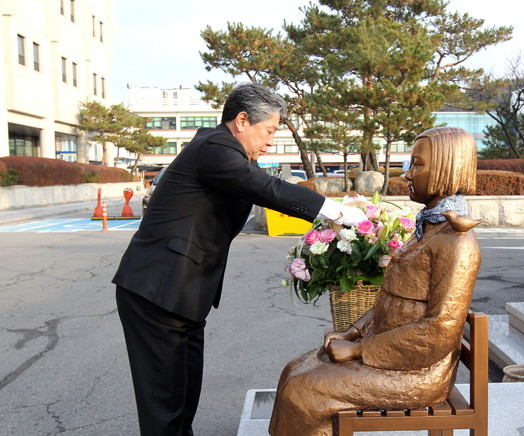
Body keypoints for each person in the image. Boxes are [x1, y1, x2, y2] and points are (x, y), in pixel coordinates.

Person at [113, 83, 366, 436]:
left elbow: (256, 186)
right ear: (242, 120)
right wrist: (332, 211)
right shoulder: (214, 147)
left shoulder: (223, 152)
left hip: (182, 294)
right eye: (269, 131)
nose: (269, 141)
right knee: (164, 405)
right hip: (157, 291)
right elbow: (264, 188)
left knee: (182, 398)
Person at [268, 127, 483, 436]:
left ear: (446, 167)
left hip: (419, 371)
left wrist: (358, 350)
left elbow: (439, 331)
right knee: (294, 369)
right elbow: (391, 302)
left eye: (417, 165)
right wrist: (353, 333)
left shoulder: (456, 241)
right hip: (390, 351)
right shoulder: (429, 228)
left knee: (304, 391)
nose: (408, 174)